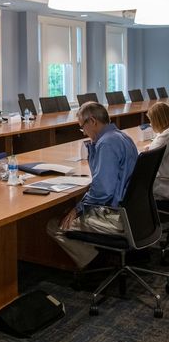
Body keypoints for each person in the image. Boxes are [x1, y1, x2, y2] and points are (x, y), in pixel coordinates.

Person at [47, 102, 138, 268]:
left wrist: (79, 208)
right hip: (135, 213)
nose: (83, 133)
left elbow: (103, 191)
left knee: (55, 224)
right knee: (73, 210)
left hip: (118, 217)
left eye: (82, 127)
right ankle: (105, 255)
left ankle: (95, 264)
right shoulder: (122, 136)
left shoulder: (106, 144)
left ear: (93, 121)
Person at [145, 102, 169, 208]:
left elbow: (148, 161)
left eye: (151, 120)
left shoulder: (164, 137)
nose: (150, 124)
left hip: (164, 188)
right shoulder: (165, 134)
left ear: (157, 120)